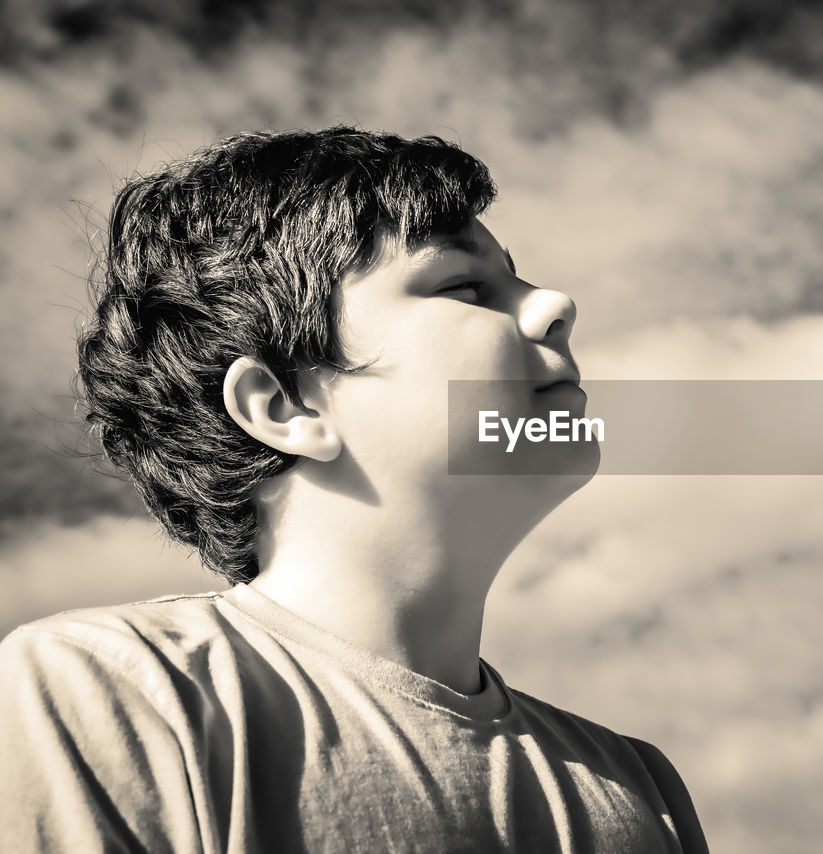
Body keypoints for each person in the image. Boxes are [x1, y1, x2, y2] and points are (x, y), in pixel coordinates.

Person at [0, 127, 707, 853]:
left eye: (517, 277)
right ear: (285, 406)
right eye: (465, 285)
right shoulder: (115, 694)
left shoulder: (636, 787)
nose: (555, 303)